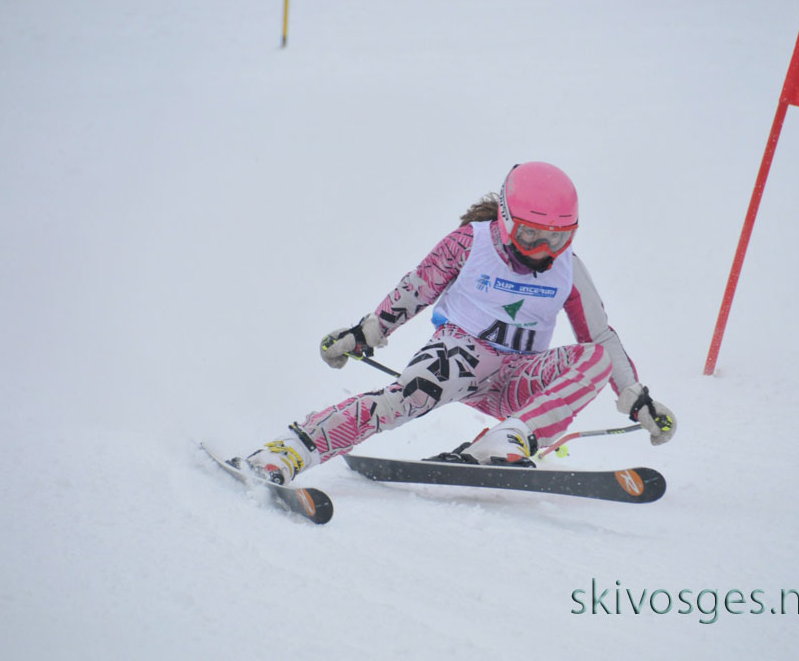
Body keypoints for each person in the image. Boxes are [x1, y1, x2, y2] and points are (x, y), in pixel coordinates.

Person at [235, 162, 676, 484]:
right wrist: (365, 334)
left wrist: (638, 400)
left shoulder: (569, 269)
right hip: (460, 357)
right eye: (529, 235)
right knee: (402, 401)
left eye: (556, 238)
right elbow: (416, 289)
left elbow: (600, 336)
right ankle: (290, 450)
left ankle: (505, 441)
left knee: (595, 357)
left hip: (520, 381)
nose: (542, 250)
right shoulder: (470, 244)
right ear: (506, 220)